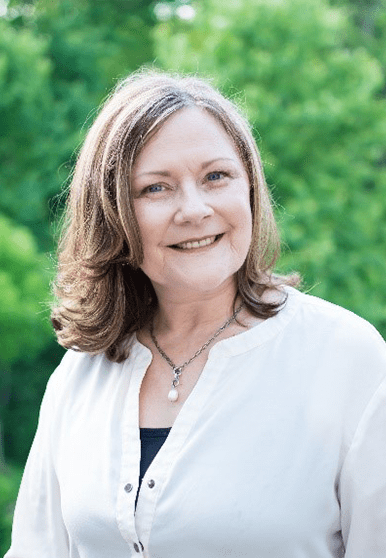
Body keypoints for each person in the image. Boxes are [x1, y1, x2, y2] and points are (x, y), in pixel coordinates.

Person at [5, 69, 386, 558]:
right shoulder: (82, 373)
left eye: (216, 177)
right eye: (155, 189)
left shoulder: (348, 359)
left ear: (249, 189)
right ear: (113, 213)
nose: (194, 209)